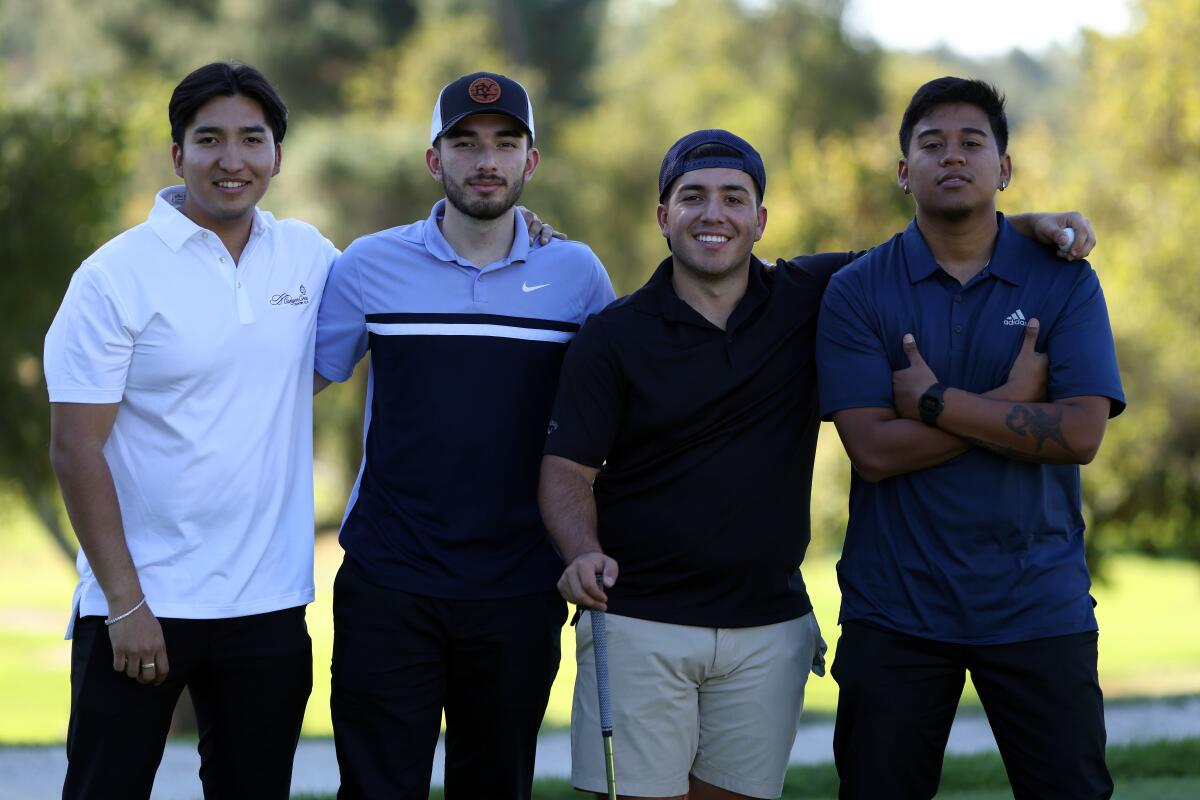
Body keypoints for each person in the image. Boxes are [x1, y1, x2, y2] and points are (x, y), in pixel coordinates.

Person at [539, 127, 1097, 800]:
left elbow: (937, 240)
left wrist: (1024, 225)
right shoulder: (613, 334)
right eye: (692, 197)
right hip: (639, 620)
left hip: (766, 628)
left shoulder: (814, 294)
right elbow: (568, 467)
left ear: (760, 220)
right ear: (663, 217)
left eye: (733, 198)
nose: (713, 214)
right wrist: (579, 550)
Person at [816, 77, 1123, 800]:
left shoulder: (1065, 281)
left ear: (1004, 169)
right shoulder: (859, 290)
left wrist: (932, 401)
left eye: (972, 142)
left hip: (1037, 602)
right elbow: (875, 452)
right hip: (895, 609)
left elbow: (1079, 433)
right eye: (931, 144)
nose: (952, 157)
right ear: (903, 172)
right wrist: (1013, 406)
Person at [314, 71, 615, 799]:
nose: (486, 160)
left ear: (530, 163)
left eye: (505, 144)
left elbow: (615, 416)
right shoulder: (367, 266)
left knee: (495, 787)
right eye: (466, 143)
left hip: (518, 586)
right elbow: (286, 386)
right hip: (390, 581)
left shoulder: (575, 274)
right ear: (434, 158)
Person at [44, 62, 337, 799]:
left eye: (251, 139)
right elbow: (75, 448)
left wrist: (517, 230)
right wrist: (127, 605)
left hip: (268, 608)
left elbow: (398, 289)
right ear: (178, 154)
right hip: (144, 608)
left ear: (276, 155)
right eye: (209, 139)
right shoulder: (115, 276)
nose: (231, 160)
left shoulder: (308, 255)